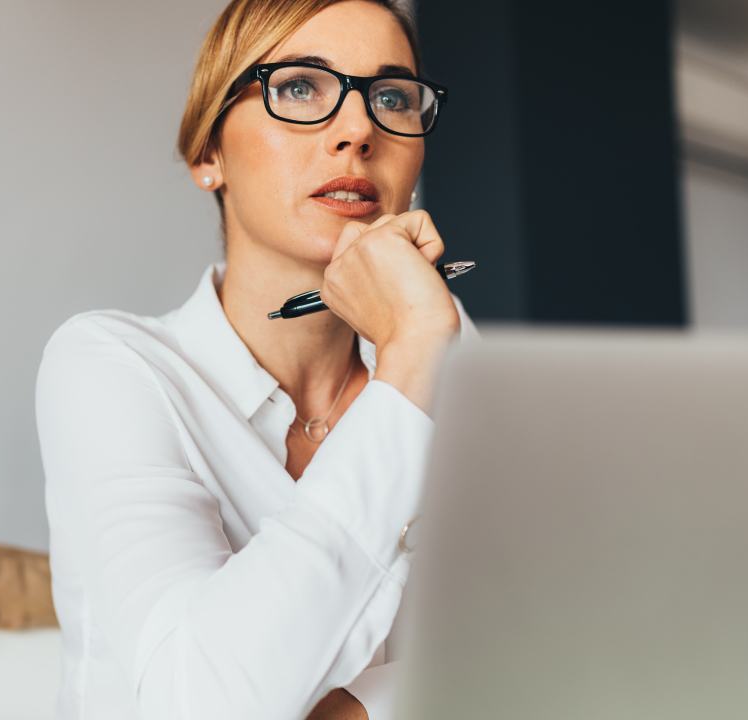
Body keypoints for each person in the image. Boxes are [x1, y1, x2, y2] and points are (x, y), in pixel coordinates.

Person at [36, 1, 478, 718]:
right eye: (300, 86)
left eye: (393, 98)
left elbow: (561, 635)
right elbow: (199, 702)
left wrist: (351, 711)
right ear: (207, 155)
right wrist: (410, 363)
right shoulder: (111, 367)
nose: (360, 130)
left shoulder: (449, 347)